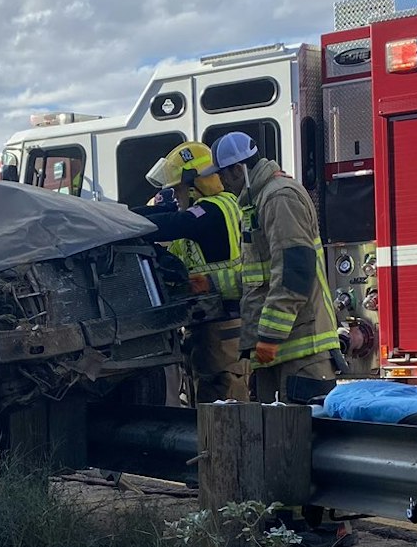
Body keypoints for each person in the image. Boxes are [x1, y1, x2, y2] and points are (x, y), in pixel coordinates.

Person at [214, 132, 336, 402]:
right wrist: (210, 285)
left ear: (238, 169)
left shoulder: (279, 197)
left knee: (298, 439)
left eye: (223, 175)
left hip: (301, 351)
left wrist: (270, 335)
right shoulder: (258, 202)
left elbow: (294, 271)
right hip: (281, 352)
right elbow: (256, 276)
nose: (221, 183)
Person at [139, 141, 253, 403]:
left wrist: (122, 222)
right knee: (204, 400)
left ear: (194, 184)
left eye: (178, 188)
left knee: (224, 403)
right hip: (207, 326)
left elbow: (170, 224)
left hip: (224, 325)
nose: (176, 195)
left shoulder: (216, 208)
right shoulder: (200, 213)